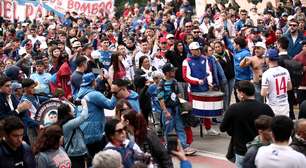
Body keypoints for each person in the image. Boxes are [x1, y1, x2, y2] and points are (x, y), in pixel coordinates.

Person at [220, 80, 274, 168]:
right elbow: (273, 126)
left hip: (242, 150)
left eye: (237, 92)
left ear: (242, 93)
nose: (237, 94)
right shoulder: (265, 108)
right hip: (263, 150)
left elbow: (223, 128)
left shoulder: (234, 108)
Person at [77, 72, 117, 158]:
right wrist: (114, 92)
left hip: (83, 132)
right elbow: (111, 105)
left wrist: (99, 79)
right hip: (95, 134)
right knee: (100, 160)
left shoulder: (79, 93)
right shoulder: (94, 95)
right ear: (93, 82)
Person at [159, 63, 196, 155]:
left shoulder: (175, 81)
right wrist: (165, 111)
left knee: (180, 127)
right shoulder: (161, 84)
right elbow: (161, 99)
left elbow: (179, 95)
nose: (174, 72)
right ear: (167, 73)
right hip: (168, 110)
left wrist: (182, 107)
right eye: (172, 71)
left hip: (176, 109)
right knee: (169, 129)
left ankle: (184, 146)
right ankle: (169, 147)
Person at [57, 99, 89, 168]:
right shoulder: (69, 124)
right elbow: (83, 117)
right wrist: (84, 105)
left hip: (74, 154)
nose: (73, 111)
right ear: (67, 112)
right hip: (75, 154)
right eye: (70, 110)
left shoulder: (63, 124)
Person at [261, 48, 292, 116]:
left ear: (268, 59)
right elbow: (289, 87)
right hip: (285, 104)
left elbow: (263, 93)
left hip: (273, 106)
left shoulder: (266, 74)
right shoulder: (285, 71)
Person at [223, 35, 252, 102]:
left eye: (234, 44)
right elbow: (229, 44)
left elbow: (250, 67)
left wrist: (251, 78)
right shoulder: (235, 51)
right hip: (237, 79)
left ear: (238, 45)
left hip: (245, 80)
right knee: (237, 97)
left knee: (244, 98)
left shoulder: (246, 54)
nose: (233, 45)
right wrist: (224, 35)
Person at [293, 41, 306, 105]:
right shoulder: (297, 57)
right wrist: (301, 70)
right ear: (302, 47)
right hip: (301, 87)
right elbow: (291, 70)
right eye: (305, 46)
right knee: (302, 107)